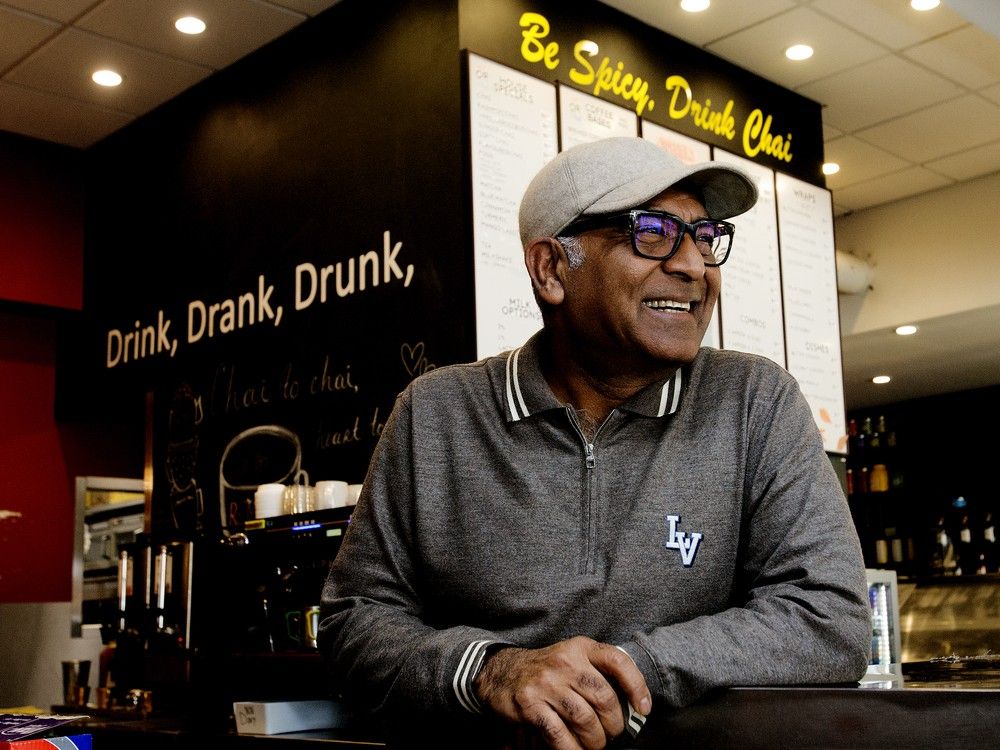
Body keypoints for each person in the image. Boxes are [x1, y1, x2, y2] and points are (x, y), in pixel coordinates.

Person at [319, 136, 871, 749]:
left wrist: (623, 671)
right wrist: (492, 670)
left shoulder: (754, 401)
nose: (695, 267)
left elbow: (830, 620)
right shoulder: (437, 414)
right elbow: (353, 623)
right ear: (552, 270)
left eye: (705, 237)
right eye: (654, 233)